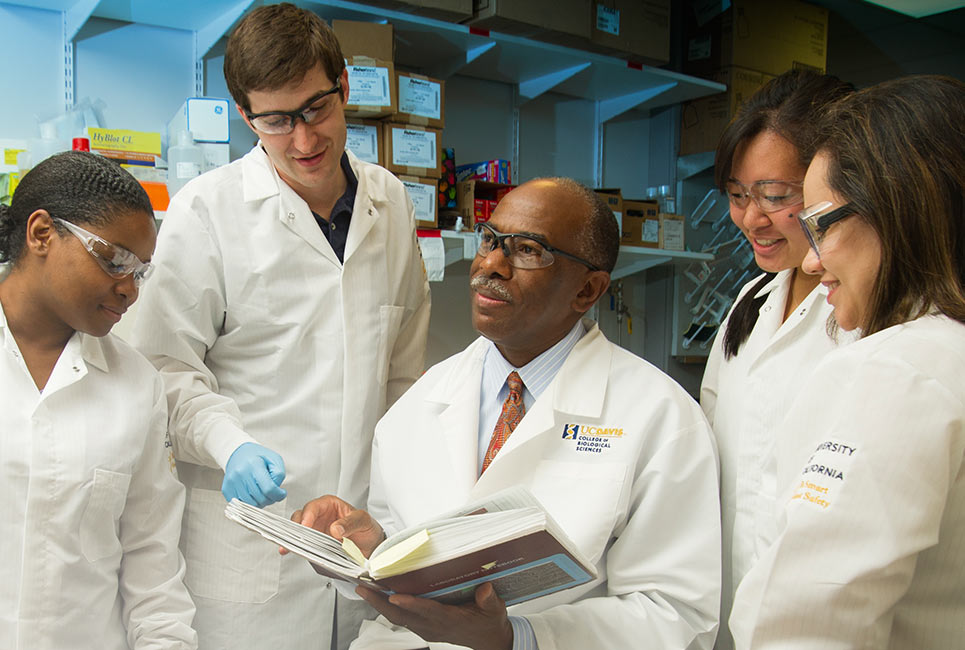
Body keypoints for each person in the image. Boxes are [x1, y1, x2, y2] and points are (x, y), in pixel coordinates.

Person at [296, 178, 722, 650]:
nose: (490, 265)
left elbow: (676, 615)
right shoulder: (424, 398)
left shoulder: (660, 416)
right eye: (490, 240)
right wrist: (364, 543)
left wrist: (517, 638)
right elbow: (402, 552)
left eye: (527, 250)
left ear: (588, 289)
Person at [130, 3, 431, 649]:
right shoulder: (205, 211)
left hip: (359, 539)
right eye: (274, 121)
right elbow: (161, 368)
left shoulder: (391, 202)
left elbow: (404, 374)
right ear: (245, 117)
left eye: (316, 110)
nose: (302, 141)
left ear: (343, 87)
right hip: (247, 547)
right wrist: (228, 444)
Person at [729, 75, 965, 648]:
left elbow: (809, 628)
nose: (810, 263)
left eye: (819, 223)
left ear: (897, 209)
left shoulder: (895, 370)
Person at [0, 151, 196, 649]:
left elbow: (153, 573)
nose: (129, 290)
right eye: (113, 259)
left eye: (141, 271)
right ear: (41, 233)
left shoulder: (137, 385)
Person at [697, 69, 854, 649]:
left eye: (776, 197)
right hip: (728, 610)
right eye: (739, 195)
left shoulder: (877, 315)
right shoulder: (753, 298)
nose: (750, 219)